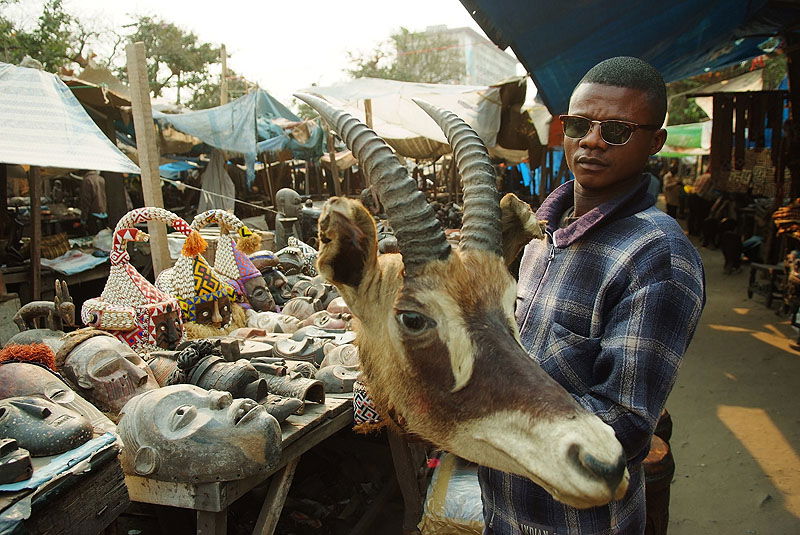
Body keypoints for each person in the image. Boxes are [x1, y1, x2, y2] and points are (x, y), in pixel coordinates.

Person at [479, 57, 705, 535]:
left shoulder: (657, 256)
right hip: (504, 511)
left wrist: (476, 419)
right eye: (579, 124)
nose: (593, 140)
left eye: (618, 131)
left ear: (655, 143)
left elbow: (620, 429)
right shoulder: (542, 232)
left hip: (574, 524)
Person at [79, 170, 108, 234]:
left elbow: (86, 201)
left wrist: (83, 218)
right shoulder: (102, 179)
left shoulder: (87, 180)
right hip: (104, 213)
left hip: (93, 215)